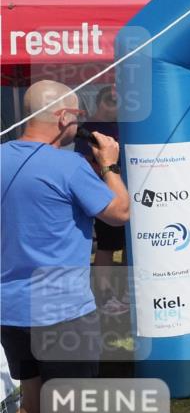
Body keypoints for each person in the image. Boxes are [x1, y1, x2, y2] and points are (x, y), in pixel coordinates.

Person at [1, 80, 129, 413]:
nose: (79, 124)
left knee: (31, 402)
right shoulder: (69, 165)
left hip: (12, 310)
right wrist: (109, 166)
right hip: (64, 313)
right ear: (61, 118)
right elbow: (120, 211)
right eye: (76, 115)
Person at [73, 85, 128, 316]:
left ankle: (126, 293)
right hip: (104, 195)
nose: (116, 107)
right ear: (101, 102)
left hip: (126, 192)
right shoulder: (90, 130)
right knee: (107, 246)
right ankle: (105, 295)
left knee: (129, 244)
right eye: (112, 101)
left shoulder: (121, 125)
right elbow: (85, 161)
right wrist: (109, 169)